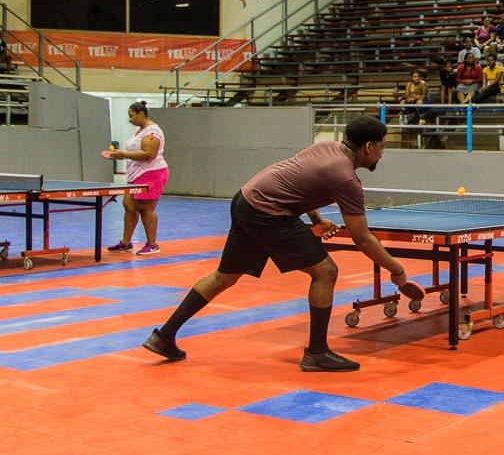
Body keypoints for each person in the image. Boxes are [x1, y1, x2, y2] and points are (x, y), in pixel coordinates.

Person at [141, 117, 424, 372]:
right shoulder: (346, 178)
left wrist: (316, 219)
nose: (382, 153)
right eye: (382, 147)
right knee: (325, 271)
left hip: (245, 199)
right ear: (368, 146)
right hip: (267, 212)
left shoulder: (326, 148)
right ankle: (317, 352)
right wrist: (396, 269)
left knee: (224, 276)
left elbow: (296, 181)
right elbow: (362, 237)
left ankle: (164, 336)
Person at [107, 101, 169, 257]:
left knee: (145, 209)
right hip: (136, 175)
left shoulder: (152, 132)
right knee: (128, 205)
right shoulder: (139, 130)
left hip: (152, 174)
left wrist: (123, 155)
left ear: (141, 114)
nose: (130, 119)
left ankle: (152, 245)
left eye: (131, 116)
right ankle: (126, 243)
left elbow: (149, 154)